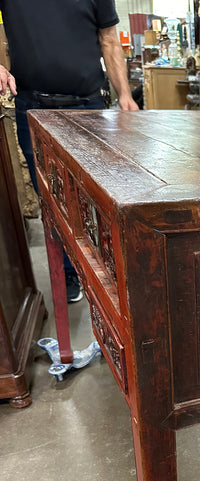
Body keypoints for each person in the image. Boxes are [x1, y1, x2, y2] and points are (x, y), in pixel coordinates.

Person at [0, 0, 139, 302]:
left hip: (89, 107)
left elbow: (109, 39)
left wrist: (125, 96)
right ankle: (69, 271)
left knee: (95, 195)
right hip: (34, 107)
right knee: (50, 196)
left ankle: (105, 269)